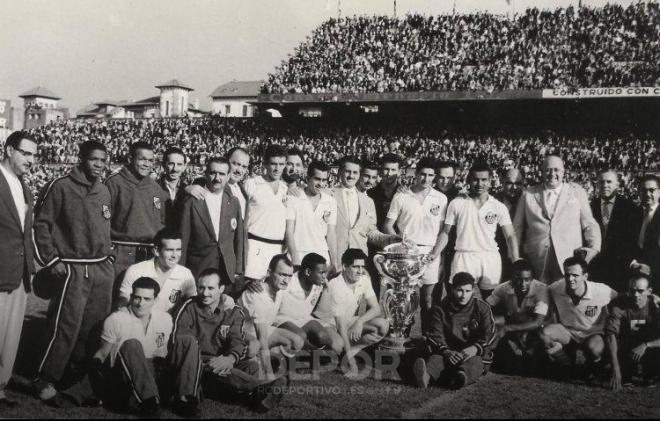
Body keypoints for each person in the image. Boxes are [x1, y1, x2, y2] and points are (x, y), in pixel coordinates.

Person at [32, 140, 115, 403]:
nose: (99, 165)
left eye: (103, 160)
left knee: (92, 328)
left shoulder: (104, 190)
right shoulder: (61, 186)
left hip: (101, 266)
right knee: (65, 325)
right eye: (94, 159)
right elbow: (41, 224)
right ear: (81, 158)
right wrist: (51, 259)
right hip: (72, 266)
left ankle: (75, 377)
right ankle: (44, 378)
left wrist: (109, 256)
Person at [171, 268, 287, 415]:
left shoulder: (233, 311)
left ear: (221, 289)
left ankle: (256, 397)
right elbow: (181, 342)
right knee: (222, 370)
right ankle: (261, 389)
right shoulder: (189, 307)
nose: (205, 293)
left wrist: (230, 358)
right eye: (201, 288)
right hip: (197, 364)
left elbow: (237, 341)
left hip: (224, 358)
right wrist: (211, 361)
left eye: (210, 288)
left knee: (251, 367)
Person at [90, 277, 172, 417]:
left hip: (153, 372)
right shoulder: (116, 319)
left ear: (155, 300)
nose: (140, 304)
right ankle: (149, 404)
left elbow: (164, 354)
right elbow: (101, 355)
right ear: (131, 297)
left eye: (147, 299)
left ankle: (183, 401)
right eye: (137, 298)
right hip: (126, 375)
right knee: (131, 344)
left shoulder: (165, 319)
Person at [437, 162, 520, 298]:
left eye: (484, 180)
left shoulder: (498, 206)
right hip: (464, 256)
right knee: (460, 302)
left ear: (490, 181)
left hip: (490, 257)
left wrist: (516, 259)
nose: (479, 183)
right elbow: (445, 232)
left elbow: (510, 235)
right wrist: (434, 255)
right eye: (475, 179)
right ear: (469, 180)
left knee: (491, 302)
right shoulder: (457, 203)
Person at [514, 155, 601, 284]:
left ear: (563, 172)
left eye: (556, 170)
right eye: (548, 170)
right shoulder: (528, 194)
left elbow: (588, 223)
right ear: (541, 172)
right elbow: (517, 227)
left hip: (568, 258)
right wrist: (515, 256)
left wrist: (594, 247)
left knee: (564, 299)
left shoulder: (577, 192)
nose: (552, 174)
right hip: (536, 260)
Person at [384, 157, 447, 334]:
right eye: (422, 174)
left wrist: (436, 253)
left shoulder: (441, 198)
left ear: (434, 177)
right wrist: (399, 241)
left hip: (430, 252)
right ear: (415, 174)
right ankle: (401, 335)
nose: (425, 179)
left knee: (428, 300)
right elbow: (388, 225)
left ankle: (427, 337)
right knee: (404, 298)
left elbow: (443, 231)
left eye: (430, 175)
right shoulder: (402, 195)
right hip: (406, 253)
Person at [0, 131, 36, 408]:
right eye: (25, 153)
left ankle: (0, 388)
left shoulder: (25, 187)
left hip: (21, 271)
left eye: (33, 155)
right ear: (10, 150)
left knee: (11, 335)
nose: (30, 159)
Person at [412, 272, 496, 389]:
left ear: (473, 291)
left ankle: (461, 377)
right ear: (452, 289)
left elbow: (490, 334)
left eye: (468, 291)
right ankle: (426, 377)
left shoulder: (482, 307)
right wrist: (446, 351)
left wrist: (475, 348)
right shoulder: (440, 308)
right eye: (459, 290)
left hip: (472, 353)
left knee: (475, 362)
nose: (463, 295)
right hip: (449, 353)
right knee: (436, 359)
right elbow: (435, 334)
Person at [313, 249, 389, 373]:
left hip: (346, 321)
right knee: (338, 344)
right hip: (327, 326)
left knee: (382, 325)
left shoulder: (364, 279)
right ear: (344, 266)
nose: (360, 271)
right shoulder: (336, 285)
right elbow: (340, 326)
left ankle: (346, 354)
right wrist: (351, 364)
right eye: (355, 267)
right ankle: (328, 353)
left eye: (362, 267)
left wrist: (360, 321)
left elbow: (376, 309)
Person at [540, 257, 617, 378]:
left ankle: (595, 365)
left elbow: (623, 299)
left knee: (594, 349)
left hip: (592, 334)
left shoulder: (601, 290)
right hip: (568, 333)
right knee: (545, 334)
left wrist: (651, 297)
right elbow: (540, 290)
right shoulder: (556, 288)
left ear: (585, 276)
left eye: (575, 275)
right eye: (567, 275)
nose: (570, 279)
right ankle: (567, 365)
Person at [179, 157, 245, 297]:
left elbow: (239, 238)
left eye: (222, 174)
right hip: (199, 268)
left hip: (225, 270)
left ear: (228, 176)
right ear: (206, 173)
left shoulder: (233, 202)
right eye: (213, 173)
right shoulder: (192, 201)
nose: (217, 178)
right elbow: (183, 240)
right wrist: (180, 270)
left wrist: (238, 268)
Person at [105, 141, 167, 290]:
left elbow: (162, 221)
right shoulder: (114, 183)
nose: (147, 164)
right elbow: (102, 221)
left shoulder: (155, 187)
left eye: (150, 160)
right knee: (119, 299)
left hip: (149, 253)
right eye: (142, 159)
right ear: (130, 158)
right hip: (122, 252)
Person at [238, 254, 304, 377]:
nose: (286, 280)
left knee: (296, 342)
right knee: (255, 347)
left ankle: (267, 362)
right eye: (282, 274)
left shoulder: (278, 290)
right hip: (241, 334)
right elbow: (261, 337)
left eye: (289, 276)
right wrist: (270, 376)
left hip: (260, 332)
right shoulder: (257, 294)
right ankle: (257, 367)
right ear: (269, 272)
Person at [331, 156, 396, 267]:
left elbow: (371, 232)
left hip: (359, 259)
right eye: (347, 171)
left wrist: (390, 239)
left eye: (355, 172)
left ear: (359, 174)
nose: (351, 176)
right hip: (334, 258)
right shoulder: (327, 195)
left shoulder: (368, 201)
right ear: (340, 172)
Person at [487, 259, 549, 374]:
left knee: (535, 366)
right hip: (514, 327)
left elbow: (537, 322)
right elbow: (484, 308)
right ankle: (488, 353)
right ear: (511, 277)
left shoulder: (541, 289)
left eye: (527, 279)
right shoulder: (503, 288)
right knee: (494, 321)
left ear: (532, 278)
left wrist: (506, 328)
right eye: (518, 279)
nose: (522, 284)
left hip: (536, 331)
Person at [118, 228, 196, 313]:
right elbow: (123, 302)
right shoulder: (135, 270)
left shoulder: (185, 274)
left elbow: (193, 306)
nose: (175, 255)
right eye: (169, 250)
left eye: (178, 250)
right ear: (156, 251)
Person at [606, 268, 660, 390]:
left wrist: (646, 345)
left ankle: (651, 373)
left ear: (649, 291)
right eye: (632, 290)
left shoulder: (656, 306)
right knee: (620, 347)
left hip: (650, 347)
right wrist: (615, 368)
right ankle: (626, 373)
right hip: (628, 347)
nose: (636, 295)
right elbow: (611, 336)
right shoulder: (619, 305)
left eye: (640, 291)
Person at [243, 145, 289, 280]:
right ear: (265, 164)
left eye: (281, 164)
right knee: (250, 289)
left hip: (277, 249)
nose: (277, 168)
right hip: (254, 246)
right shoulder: (252, 183)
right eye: (273, 164)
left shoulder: (285, 188)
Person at [285, 160, 338, 271]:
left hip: (321, 256)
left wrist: (334, 261)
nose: (321, 184)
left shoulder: (331, 201)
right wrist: (295, 259)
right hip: (298, 254)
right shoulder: (294, 198)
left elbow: (331, 234)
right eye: (317, 179)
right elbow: (289, 231)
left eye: (324, 180)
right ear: (308, 178)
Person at [275, 253, 335, 350]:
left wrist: (325, 291)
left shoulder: (318, 283)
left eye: (325, 272)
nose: (324, 276)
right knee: (300, 336)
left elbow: (321, 312)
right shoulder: (290, 280)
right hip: (282, 319)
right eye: (321, 273)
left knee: (324, 337)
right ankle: (309, 353)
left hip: (304, 319)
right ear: (308, 272)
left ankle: (310, 352)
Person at [589, 170, 636, 290]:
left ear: (617, 184)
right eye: (601, 182)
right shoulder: (590, 206)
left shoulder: (629, 206)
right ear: (597, 184)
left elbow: (632, 239)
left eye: (609, 182)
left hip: (619, 266)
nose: (605, 185)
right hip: (596, 267)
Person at [633, 174, 660, 290]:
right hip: (635, 275)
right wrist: (633, 263)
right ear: (639, 192)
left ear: (659, 192)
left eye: (652, 190)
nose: (648, 194)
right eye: (644, 190)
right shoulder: (633, 214)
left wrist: (650, 268)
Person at [367, 153, 402, 231]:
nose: (389, 173)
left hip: (398, 240)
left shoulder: (405, 194)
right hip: (374, 240)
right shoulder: (370, 194)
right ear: (380, 171)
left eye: (393, 170)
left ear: (399, 172)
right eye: (386, 169)